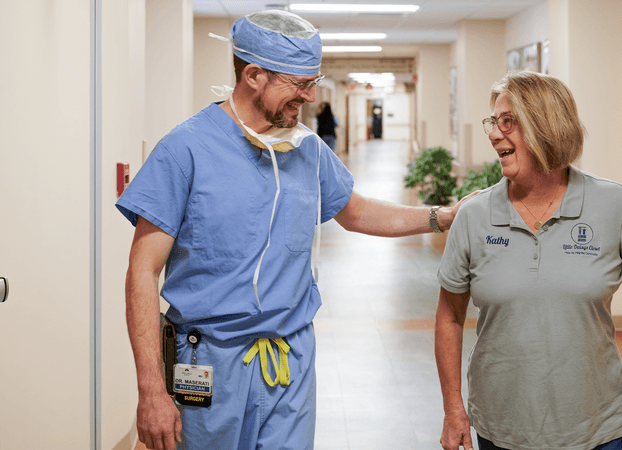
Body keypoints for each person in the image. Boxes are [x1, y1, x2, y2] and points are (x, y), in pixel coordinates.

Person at [117, 10, 472, 450]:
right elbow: (142, 271)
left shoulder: (305, 147)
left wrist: (441, 216)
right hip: (206, 363)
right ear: (253, 75)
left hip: (290, 358)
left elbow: (355, 211)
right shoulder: (185, 149)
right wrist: (151, 388)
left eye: (312, 81)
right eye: (298, 83)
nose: (308, 95)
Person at [434, 71, 622, 450]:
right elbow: (449, 315)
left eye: (507, 121)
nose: (494, 134)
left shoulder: (613, 204)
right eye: (493, 122)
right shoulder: (474, 215)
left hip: (596, 427)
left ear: (546, 125)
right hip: (502, 427)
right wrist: (453, 408)